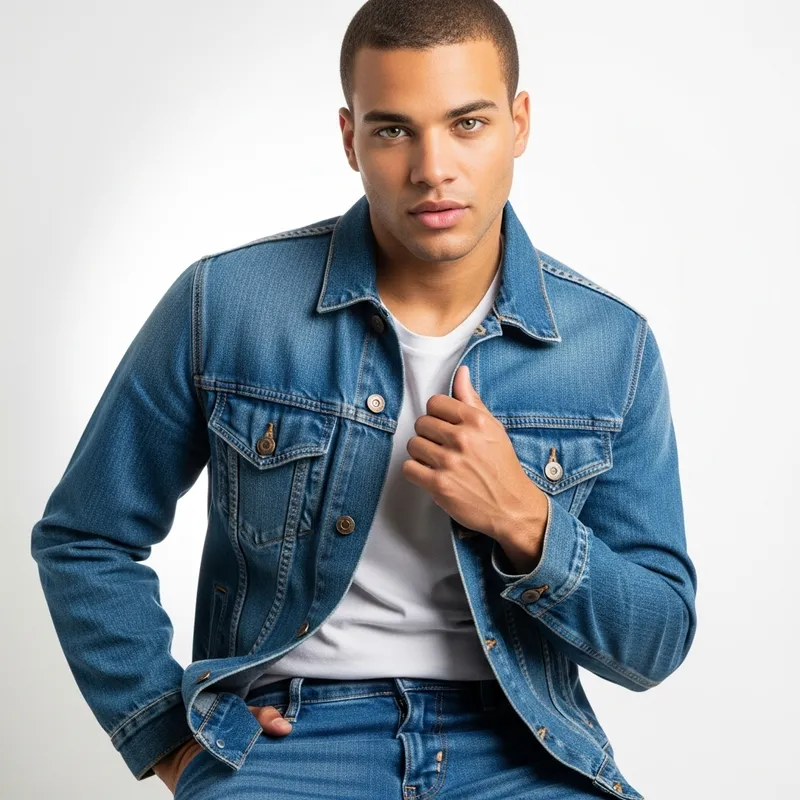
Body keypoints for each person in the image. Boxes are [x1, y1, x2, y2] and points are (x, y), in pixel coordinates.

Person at [30, 1, 698, 798]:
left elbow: (654, 642)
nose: (432, 168)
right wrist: (166, 736)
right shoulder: (228, 304)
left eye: (468, 124)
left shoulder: (609, 346)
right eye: (393, 130)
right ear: (350, 138)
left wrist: (525, 519)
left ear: (519, 123)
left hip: (520, 742)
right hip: (291, 738)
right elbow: (86, 536)